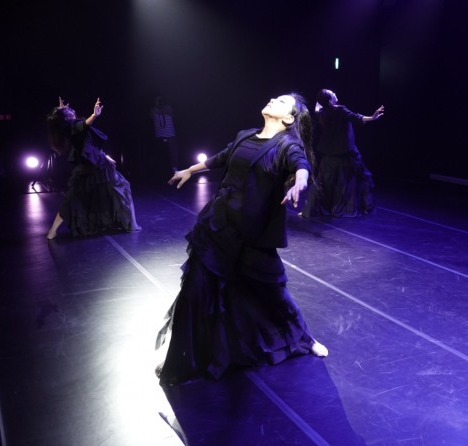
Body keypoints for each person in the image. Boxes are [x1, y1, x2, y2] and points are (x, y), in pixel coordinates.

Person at [155, 93, 328, 384]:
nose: (272, 99)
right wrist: (189, 170)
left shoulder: (286, 144)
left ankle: (304, 338)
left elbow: (301, 164)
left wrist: (300, 182)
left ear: (289, 118)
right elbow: (220, 158)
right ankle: (188, 359)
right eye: (275, 97)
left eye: (282, 101)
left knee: (272, 293)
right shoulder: (245, 136)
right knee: (195, 289)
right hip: (218, 226)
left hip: (252, 233)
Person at [46, 97, 141, 239]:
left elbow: (90, 146)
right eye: (67, 110)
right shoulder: (74, 126)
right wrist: (94, 115)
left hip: (93, 165)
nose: (70, 108)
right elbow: (84, 124)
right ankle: (128, 224)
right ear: (66, 117)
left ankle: (52, 231)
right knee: (121, 189)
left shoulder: (67, 128)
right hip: (95, 167)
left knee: (76, 199)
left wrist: (105, 156)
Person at [300, 89, 384, 218]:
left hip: (330, 154)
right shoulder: (340, 110)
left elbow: (317, 111)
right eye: (332, 93)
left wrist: (318, 106)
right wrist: (372, 118)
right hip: (345, 153)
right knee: (346, 182)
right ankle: (346, 209)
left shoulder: (321, 114)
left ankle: (312, 210)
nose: (334, 93)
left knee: (325, 182)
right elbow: (356, 117)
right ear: (330, 100)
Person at [150, 95, 180, 174]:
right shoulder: (153, 109)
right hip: (159, 136)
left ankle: (175, 169)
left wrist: (162, 106)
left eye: (160, 100)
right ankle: (161, 170)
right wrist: (157, 105)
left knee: (173, 153)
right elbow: (151, 115)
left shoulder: (168, 108)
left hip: (170, 135)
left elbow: (171, 113)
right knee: (161, 155)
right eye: (157, 100)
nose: (159, 101)